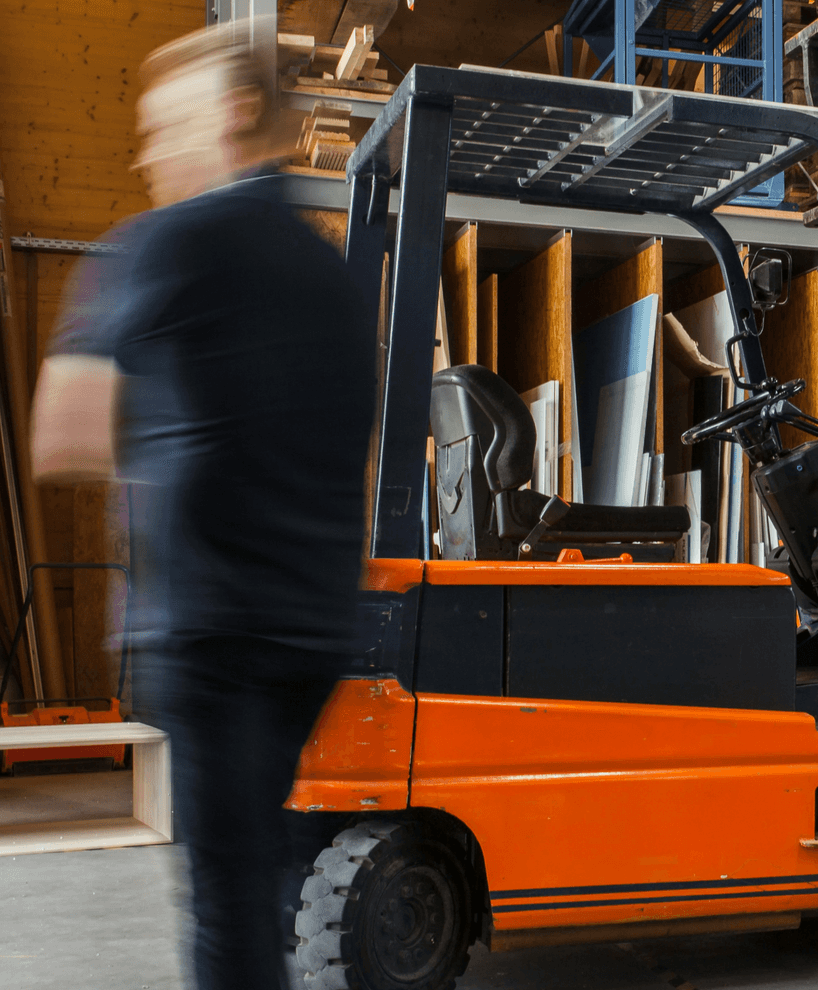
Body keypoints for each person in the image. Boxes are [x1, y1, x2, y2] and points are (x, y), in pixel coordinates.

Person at [31, 19, 377, 990]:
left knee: (225, 906)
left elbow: (63, 433)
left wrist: (172, 445)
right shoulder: (339, 282)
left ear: (231, 114)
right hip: (311, 629)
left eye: (160, 128)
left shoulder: (165, 243)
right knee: (257, 879)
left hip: (209, 629)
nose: (145, 155)